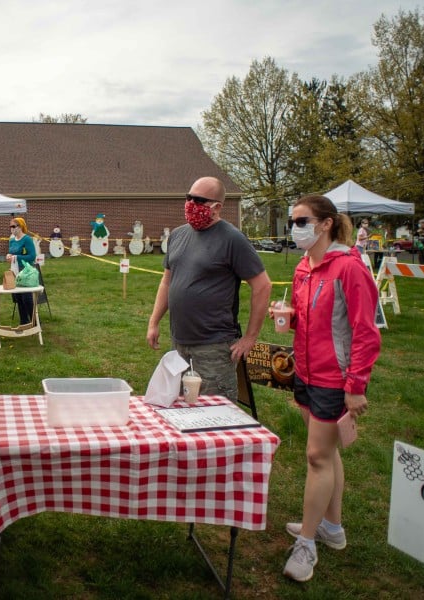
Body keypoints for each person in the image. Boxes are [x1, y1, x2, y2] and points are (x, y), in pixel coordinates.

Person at [276, 195, 381, 582]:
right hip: (304, 371)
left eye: (301, 221)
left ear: (325, 224)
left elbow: (365, 333)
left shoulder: (350, 268)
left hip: (334, 379)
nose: (294, 228)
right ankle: (332, 528)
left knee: (317, 457)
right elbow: (313, 319)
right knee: (327, 452)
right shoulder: (305, 267)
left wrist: (355, 386)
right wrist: (287, 316)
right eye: (292, 221)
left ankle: (307, 544)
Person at [146, 176, 272, 402]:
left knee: (215, 412)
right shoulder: (178, 235)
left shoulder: (232, 238)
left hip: (214, 345)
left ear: (217, 207)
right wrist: (154, 322)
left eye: (198, 200)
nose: (190, 204)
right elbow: (167, 282)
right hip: (180, 343)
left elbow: (262, 286)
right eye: (188, 198)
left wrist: (251, 338)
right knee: (181, 408)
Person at [6, 217, 37, 326]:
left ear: (20, 227)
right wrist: (9, 256)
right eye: (10, 226)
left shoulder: (27, 239)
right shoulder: (12, 240)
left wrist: (16, 257)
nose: (11, 229)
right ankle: (24, 321)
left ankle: (35, 322)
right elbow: (11, 252)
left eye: (13, 226)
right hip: (14, 270)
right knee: (18, 297)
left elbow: (32, 256)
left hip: (25, 271)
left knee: (26, 297)